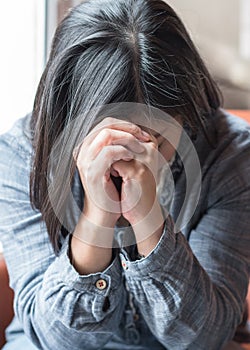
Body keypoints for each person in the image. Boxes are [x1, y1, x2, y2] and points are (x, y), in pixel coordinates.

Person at [0, 0, 249, 349]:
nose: (131, 164)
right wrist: (96, 219)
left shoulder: (231, 156)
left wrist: (147, 219)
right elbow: (52, 339)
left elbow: (205, 338)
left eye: (156, 142)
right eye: (107, 144)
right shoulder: (21, 153)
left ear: (188, 110)